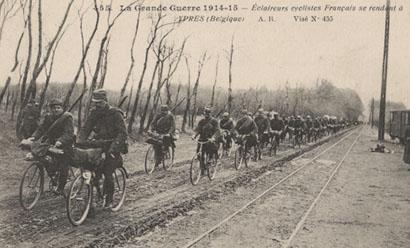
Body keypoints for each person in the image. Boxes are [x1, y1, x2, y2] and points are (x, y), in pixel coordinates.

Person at [78, 89, 128, 209]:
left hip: (113, 146)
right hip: (99, 144)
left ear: (105, 101)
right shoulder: (94, 113)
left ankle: (109, 199)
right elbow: (86, 128)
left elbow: (122, 133)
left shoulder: (116, 114)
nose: (97, 105)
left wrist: (113, 149)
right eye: (95, 103)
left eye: (99, 102)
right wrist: (80, 141)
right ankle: (93, 192)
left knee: (108, 171)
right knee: (89, 165)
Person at [29, 99, 74, 195]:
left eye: (58, 108)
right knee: (41, 156)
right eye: (54, 108)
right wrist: (33, 137)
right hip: (50, 142)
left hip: (65, 144)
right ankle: (53, 174)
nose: (56, 110)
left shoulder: (67, 117)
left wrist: (60, 141)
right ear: (50, 109)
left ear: (62, 108)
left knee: (63, 164)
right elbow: (41, 129)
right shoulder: (48, 117)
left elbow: (69, 133)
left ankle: (61, 188)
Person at [192, 107, 220, 175]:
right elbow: (198, 129)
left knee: (211, 150)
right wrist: (194, 135)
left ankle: (212, 159)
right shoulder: (202, 121)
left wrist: (213, 138)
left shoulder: (214, 121)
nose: (206, 115)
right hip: (202, 139)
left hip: (210, 140)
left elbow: (217, 131)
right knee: (199, 154)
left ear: (210, 114)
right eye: (205, 113)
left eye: (208, 113)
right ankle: (202, 168)